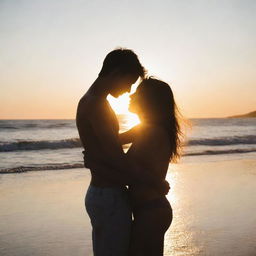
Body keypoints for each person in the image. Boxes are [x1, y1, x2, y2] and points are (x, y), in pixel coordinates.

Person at [76, 49, 169, 256]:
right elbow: (117, 159)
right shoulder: (97, 105)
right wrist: (155, 182)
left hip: (106, 193)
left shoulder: (95, 102)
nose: (128, 90)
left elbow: (110, 150)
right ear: (117, 72)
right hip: (108, 195)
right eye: (130, 82)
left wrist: (95, 160)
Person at [121, 78, 182, 255]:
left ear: (149, 100)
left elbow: (125, 167)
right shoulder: (145, 128)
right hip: (149, 210)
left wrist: (98, 160)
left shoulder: (152, 131)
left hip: (151, 211)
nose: (131, 95)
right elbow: (111, 141)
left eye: (138, 93)